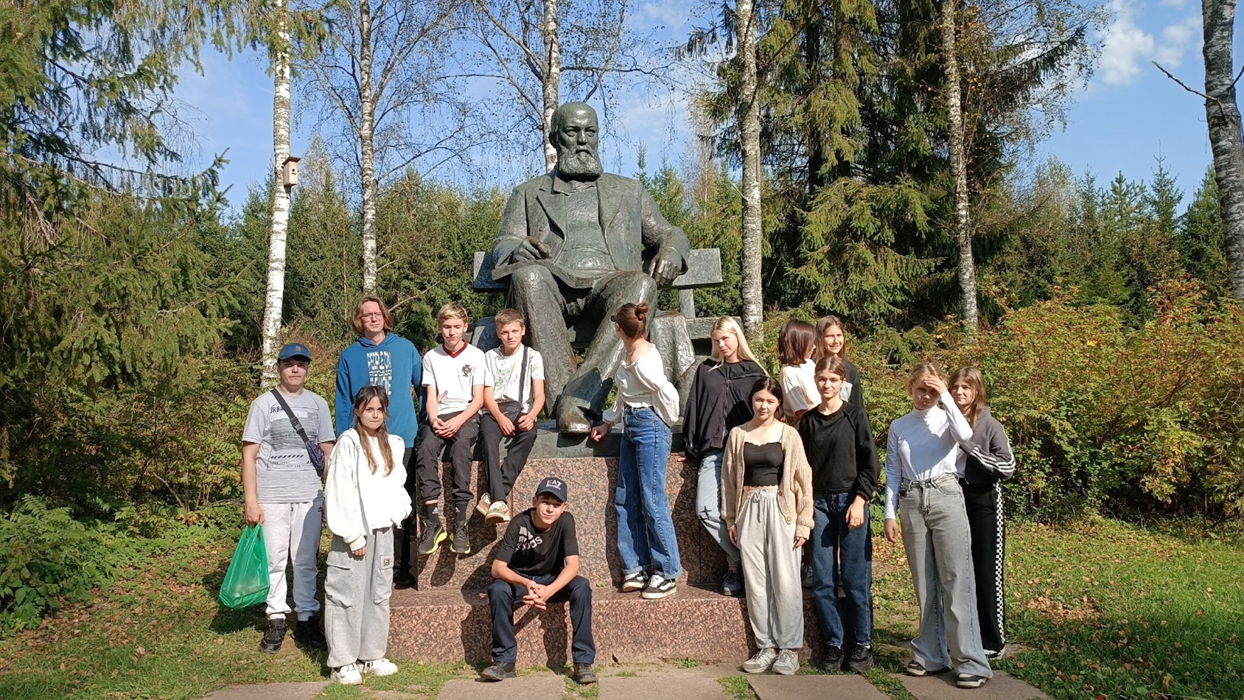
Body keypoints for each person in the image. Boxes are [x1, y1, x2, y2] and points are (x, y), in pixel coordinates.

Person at [491, 102, 691, 435]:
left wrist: (670, 251)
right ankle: (568, 406)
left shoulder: (629, 190)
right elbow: (504, 243)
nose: (583, 140)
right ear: (556, 139)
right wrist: (515, 248)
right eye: (572, 132)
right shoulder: (528, 193)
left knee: (642, 286)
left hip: (610, 287)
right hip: (552, 287)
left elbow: (669, 232)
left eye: (590, 132)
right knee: (528, 276)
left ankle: (576, 404)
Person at [884, 363, 993, 689]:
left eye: (932, 390)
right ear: (911, 388)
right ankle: (931, 654)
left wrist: (946, 395)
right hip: (912, 500)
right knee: (925, 582)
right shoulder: (899, 426)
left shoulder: (947, 418)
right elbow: (892, 471)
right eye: (921, 389)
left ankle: (970, 661)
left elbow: (966, 436)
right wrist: (890, 513)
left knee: (956, 579)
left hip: (945, 496)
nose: (925, 395)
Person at [241, 343, 334, 654]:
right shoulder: (263, 404)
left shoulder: (318, 404)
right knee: (274, 559)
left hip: (309, 495)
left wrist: (332, 495)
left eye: (301, 364)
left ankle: (307, 618)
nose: (295, 369)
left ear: (308, 369)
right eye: (289, 364)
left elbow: (328, 452)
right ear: (279, 367)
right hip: (271, 495)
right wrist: (251, 500)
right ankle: (277, 617)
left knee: (306, 560)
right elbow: (249, 454)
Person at [589, 302, 683, 599]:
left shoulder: (644, 361)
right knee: (625, 498)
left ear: (617, 327)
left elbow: (665, 391)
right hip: (630, 424)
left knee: (652, 499)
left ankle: (667, 570)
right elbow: (623, 394)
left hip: (649, 425)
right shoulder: (628, 354)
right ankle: (636, 566)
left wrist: (666, 420)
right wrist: (608, 422)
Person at [722, 378, 813, 676]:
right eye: (759, 399)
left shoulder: (789, 435)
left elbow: (803, 479)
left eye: (770, 401)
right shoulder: (738, 434)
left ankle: (788, 649)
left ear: (778, 404)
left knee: (785, 577)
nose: (764, 405)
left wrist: (803, 522)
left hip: (780, 506)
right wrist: (731, 518)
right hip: (748, 506)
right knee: (756, 580)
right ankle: (765, 647)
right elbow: (729, 479)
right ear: (752, 400)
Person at [323, 386, 413, 685]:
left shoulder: (393, 443)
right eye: (368, 409)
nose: (374, 414)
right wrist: (352, 535)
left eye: (379, 409)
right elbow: (340, 490)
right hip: (354, 532)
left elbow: (397, 484)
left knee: (378, 594)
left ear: (385, 412)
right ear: (358, 411)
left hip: (382, 530)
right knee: (347, 594)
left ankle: (370, 654)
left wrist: (399, 512)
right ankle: (343, 661)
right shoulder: (348, 443)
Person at [334, 296, 424, 587]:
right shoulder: (349, 356)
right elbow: (344, 401)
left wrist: (428, 424)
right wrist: (343, 439)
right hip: (364, 441)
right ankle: (367, 563)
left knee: (400, 503)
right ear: (358, 321)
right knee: (365, 502)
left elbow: (423, 388)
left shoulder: (405, 348)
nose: (372, 319)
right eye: (365, 315)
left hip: (402, 439)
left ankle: (401, 568)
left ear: (385, 317)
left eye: (377, 314)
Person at [798, 356, 880, 673]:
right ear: (816, 381)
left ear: (842, 382)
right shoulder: (808, 421)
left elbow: (869, 462)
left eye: (833, 379)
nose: (827, 385)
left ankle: (862, 645)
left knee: (854, 579)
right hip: (819, 504)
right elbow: (801, 468)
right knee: (822, 580)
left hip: (850, 502)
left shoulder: (855, 416)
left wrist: (860, 500)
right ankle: (834, 643)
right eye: (822, 379)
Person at [482, 477, 597, 685]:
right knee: (497, 590)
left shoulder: (565, 521)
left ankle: (583, 663)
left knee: (581, 587)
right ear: (535, 501)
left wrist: (549, 590)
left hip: (551, 579)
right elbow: (497, 568)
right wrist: (526, 583)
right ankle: (504, 662)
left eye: (556, 505)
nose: (550, 509)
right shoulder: (520, 522)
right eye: (545, 502)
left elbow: (572, 565)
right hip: (520, 581)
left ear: (564, 507)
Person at [682, 316, 767, 597]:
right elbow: (695, 407)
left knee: (746, 515)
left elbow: (767, 412)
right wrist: (691, 447)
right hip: (713, 451)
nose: (721, 344)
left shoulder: (754, 372)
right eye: (716, 340)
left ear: (737, 337)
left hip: (746, 453)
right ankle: (741, 559)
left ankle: (735, 573)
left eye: (725, 338)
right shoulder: (706, 370)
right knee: (705, 510)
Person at [949, 367, 1016, 659]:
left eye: (967, 387)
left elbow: (1008, 466)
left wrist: (972, 449)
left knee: (987, 570)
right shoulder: (944, 421)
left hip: (985, 499)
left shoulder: (990, 425)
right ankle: (964, 634)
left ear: (977, 391)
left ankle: (993, 640)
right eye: (955, 387)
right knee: (958, 570)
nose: (960, 392)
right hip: (953, 497)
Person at [414, 303, 486, 556]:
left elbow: (478, 399)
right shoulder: (432, 357)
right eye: (446, 327)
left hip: (466, 414)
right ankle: (433, 521)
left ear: (465, 327)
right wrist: (433, 420)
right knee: (425, 448)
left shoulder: (477, 355)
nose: (452, 332)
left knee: (460, 450)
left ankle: (460, 520)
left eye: (456, 327)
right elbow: (431, 395)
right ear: (440, 328)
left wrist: (458, 421)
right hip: (439, 415)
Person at [478, 308, 547, 524]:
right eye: (505, 332)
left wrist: (533, 415)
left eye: (514, 331)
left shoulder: (533, 356)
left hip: (521, 409)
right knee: (488, 440)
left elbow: (540, 395)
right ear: (498, 333)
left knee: (528, 434)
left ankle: (494, 496)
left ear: (523, 331)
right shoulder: (490, 357)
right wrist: (499, 417)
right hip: (495, 409)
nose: (510, 336)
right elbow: (486, 395)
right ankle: (500, 498)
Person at [813, 315, 866, 412]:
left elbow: (857, 406)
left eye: (839, 335)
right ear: (820, 338)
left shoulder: (849, 369)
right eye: (829, 336)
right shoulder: (811, 367)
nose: (836, 341)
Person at [777, 319, 818, 424]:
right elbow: (801, 413)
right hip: (808, 431)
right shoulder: (788, 372)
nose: (814, 347)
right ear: (799, 344)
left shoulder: (810, 364)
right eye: (810, 343)